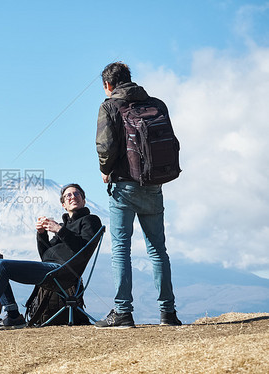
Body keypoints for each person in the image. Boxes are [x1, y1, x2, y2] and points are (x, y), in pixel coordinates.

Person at [0, 183, 102, 331]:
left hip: (65, 271)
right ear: (63, 204)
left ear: (84, 200)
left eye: (76, 194)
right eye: (68, 195)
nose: (72, 197)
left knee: (2, 266)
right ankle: (13, 315)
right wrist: (42, 234)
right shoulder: (65, 225)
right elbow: (46, 255)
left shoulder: (90, 220)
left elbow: (83, 249)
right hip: (50, 267)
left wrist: (59, 230)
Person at [94, 61, 181, 328]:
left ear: (108, 85)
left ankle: (123, 313)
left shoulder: (109, 106)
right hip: (153, 184)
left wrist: (104, 170)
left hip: (124, 185)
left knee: (121, 249)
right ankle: (167, 313)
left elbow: (105, 146)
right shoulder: (156, 103)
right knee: (157, 250)